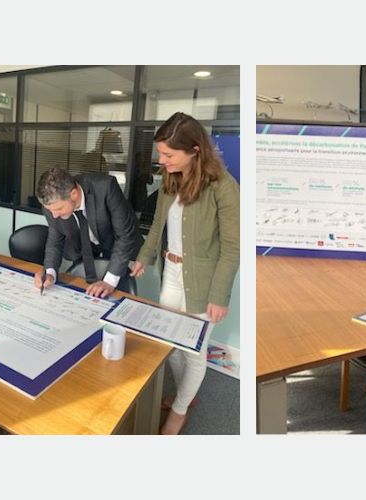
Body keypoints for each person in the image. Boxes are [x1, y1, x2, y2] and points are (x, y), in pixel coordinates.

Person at [129, 112, 240, 434]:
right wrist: (143, 258)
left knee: (193, 350)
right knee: (171, 340)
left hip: (202, 282)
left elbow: (233, 248)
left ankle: (178, 412)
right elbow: (157, 230)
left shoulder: (223, 187)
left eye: (168, 154)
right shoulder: (171, 181)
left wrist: (220, 296)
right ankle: (184, 397)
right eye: (160, 154)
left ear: (194, 149)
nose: (161, 161)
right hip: (172, 274)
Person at [33, 167, 143, 298]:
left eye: (59, 209)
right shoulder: (52, 205)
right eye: (51, 211)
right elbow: (54, 241)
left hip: (115, 247)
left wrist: (109, 282)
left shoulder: (105, 187)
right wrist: (50, 273)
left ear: (73, 194)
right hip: (82, 250)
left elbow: (124, 236)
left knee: (114, 293)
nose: (54, 215)